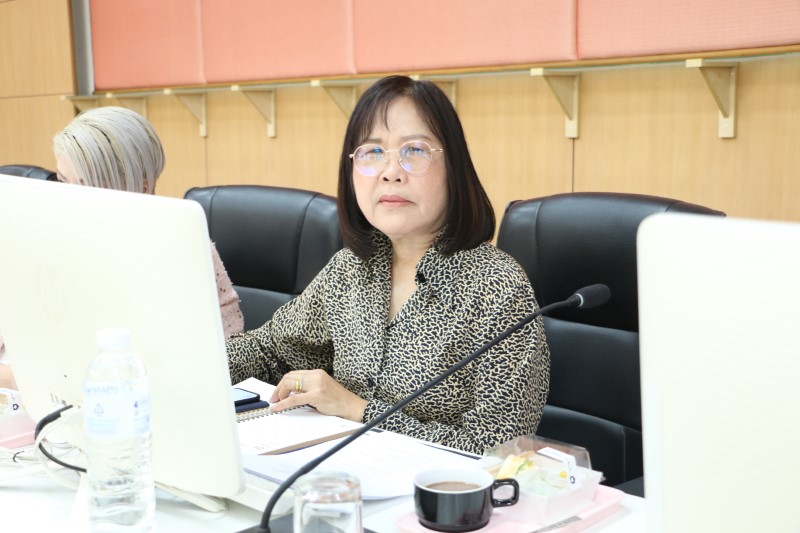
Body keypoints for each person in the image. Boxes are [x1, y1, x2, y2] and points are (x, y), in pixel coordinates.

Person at [226, 75, 550, 455]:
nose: (391, 171)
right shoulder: (350, 269)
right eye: (372, 152)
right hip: (337, 470)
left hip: (434, 488)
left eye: (415, 150)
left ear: (454, 167)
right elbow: (270, 350)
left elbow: (503, 449)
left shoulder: (497, 286)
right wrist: (184, 362)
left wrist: (359, 411)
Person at [51, 106, 244, 338]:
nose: (69, 199)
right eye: (63, 182)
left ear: (140, 188)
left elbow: (229, 345)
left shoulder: (183, 251)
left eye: (86, 186)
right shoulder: (56, 240)